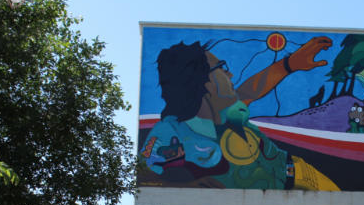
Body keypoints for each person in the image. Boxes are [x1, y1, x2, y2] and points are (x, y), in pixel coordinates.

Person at [141, 37, 340, 191]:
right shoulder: (171, 129)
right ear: (203, 81)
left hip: (302, 174)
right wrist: (186, 187)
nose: (230, 74)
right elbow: (143, 174)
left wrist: (289, 64)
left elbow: (250, 90)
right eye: (222, 68)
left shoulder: (226, 110)